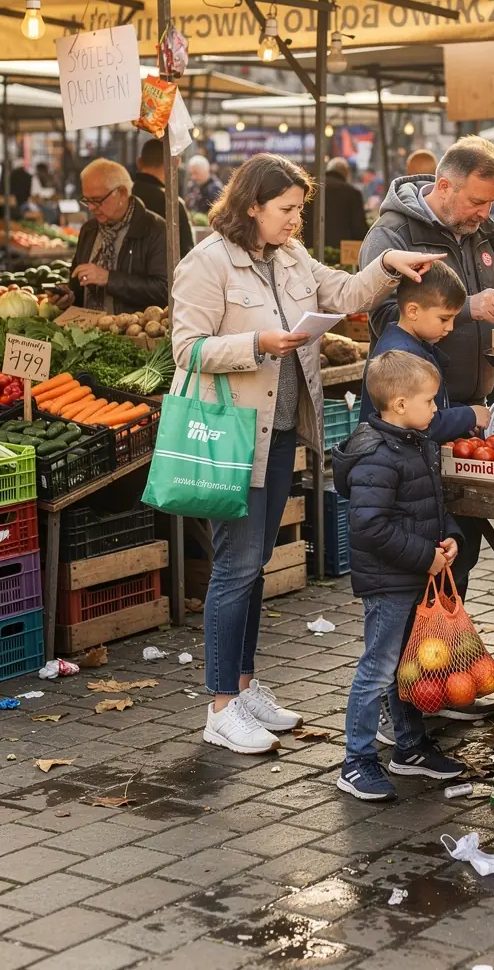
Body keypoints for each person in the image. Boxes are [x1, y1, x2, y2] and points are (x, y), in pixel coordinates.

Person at [170, 153, 446, 755]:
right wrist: (257, 343)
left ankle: (245, 687)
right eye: (286, 209)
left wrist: (387, 266)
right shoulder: (207, 263)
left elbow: (342, 292)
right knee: (235, 567)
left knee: (256, 564)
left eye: (299, 209)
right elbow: (187, 349)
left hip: (279, 433)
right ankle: (221, 706)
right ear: (252, 206)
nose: (296, 220)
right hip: (234, 437)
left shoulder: (289, 255)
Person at [360, 136, 494, 727]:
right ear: (444, 186)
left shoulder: (486, 231)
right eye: (477, 201)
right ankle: (399, 701)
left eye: (491, 202)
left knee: (458, 552)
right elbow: (383, 318)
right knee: (416, 562)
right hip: (418, 420)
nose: (485, 212)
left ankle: (440, 680)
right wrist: (466, 311)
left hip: (467, 413)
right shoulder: (393, 234)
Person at [332, 350, 466, 801]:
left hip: (413, 573)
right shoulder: (376, 455)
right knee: (378, 669)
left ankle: (409, 747)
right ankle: (356, 761)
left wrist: (449, 536)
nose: (436, 410)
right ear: (401, 404)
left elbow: (430, 503)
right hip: (389, 582)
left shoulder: (415, 441)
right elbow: (369, 526)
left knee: (407, 666)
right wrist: (424, 557)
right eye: (430, 401)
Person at [359, 260, 491, 443]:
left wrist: (462, 413)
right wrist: (468, 416)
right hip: (394, 454)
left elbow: (431, 406)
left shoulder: (412, 344)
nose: (450, 327)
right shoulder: (403, 355)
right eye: (444, 319)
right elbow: (420, 425)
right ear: (413, 311)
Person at [63, 159, 168, 313]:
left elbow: (164, 290)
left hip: (132, 326)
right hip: (86, 325)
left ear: (122, 193)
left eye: (97, 200)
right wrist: (68, 297)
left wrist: (109, 278)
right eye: (87, 200)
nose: (91, 207)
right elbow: (77, 285)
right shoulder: (89, 229)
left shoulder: (155, 229)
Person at [132, 138, 194, 259]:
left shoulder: (124, 196)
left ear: (139, 162)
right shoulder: (173, 204)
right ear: (175, 162)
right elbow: (187, 255)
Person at [301, 156, 368, 250]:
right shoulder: (352, 192)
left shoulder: (312, 188)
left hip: (310, 247)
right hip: (341, 250)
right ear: (346, 173)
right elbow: (359, 226)